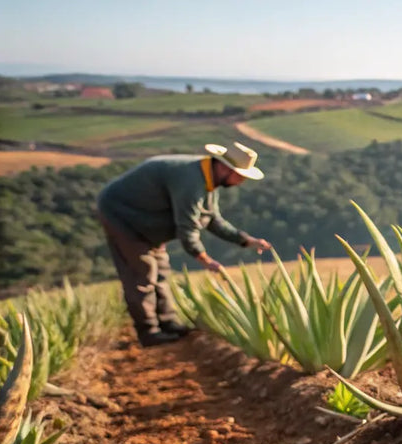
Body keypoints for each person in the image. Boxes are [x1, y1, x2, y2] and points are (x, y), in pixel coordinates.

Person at [96, 142, 273, 347]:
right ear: (225, 168)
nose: (241, 181)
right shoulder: (191, 181)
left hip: (149, 222)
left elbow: (211, 219)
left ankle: (168, 322)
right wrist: (205, 259)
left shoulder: (207, 179)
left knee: (161, 269)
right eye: (240, 175)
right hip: (122, 217)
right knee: (142, 273)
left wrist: (244, 239)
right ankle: (149, 332)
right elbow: (187, 228)